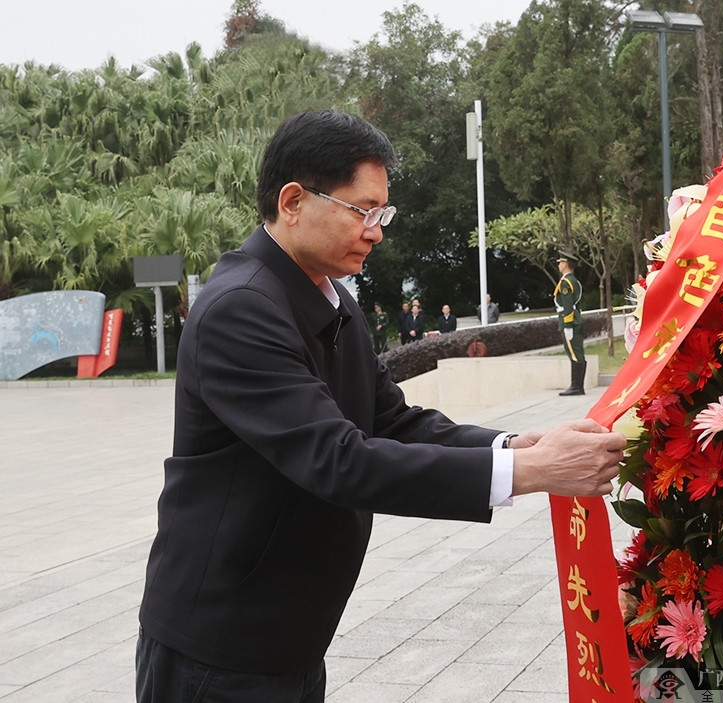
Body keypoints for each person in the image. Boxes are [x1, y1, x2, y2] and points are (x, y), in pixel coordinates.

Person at [135, 109, 626, 703]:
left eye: (382, 213)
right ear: (293, 201)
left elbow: (390, 420)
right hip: (220, 644)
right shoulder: (240, 308)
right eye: (363, 211)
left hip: (286, 634)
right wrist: (530, 474)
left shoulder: (328, 296)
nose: (377, 230)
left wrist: (517, 446)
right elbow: (338, 459)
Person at [554, 251, 586, 396]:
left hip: (570, 322)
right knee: (578, 353)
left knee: (574, 354)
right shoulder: (574, 281)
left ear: (566, 264)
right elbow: (577, 304)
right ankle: (578, 386)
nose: (559, 265)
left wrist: (567, 326)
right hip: (576, 319)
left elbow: (567, 305)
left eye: (560, 262)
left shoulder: (566, 282)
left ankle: (576, 386)